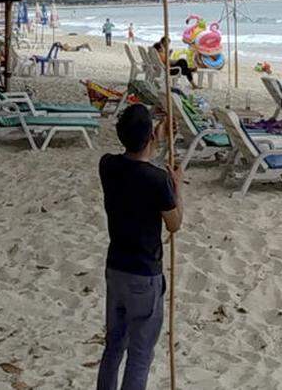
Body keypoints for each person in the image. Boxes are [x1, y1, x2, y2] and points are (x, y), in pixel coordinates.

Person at [96, 104, 182, 390]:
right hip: (144, 275)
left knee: (114, 346)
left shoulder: (107, 165)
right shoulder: (158, 180)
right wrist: (177, 187)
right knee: (140, 353)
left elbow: (136, 161)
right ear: (148, 139)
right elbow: (174, 223)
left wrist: (156, 135)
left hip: (116, 269)